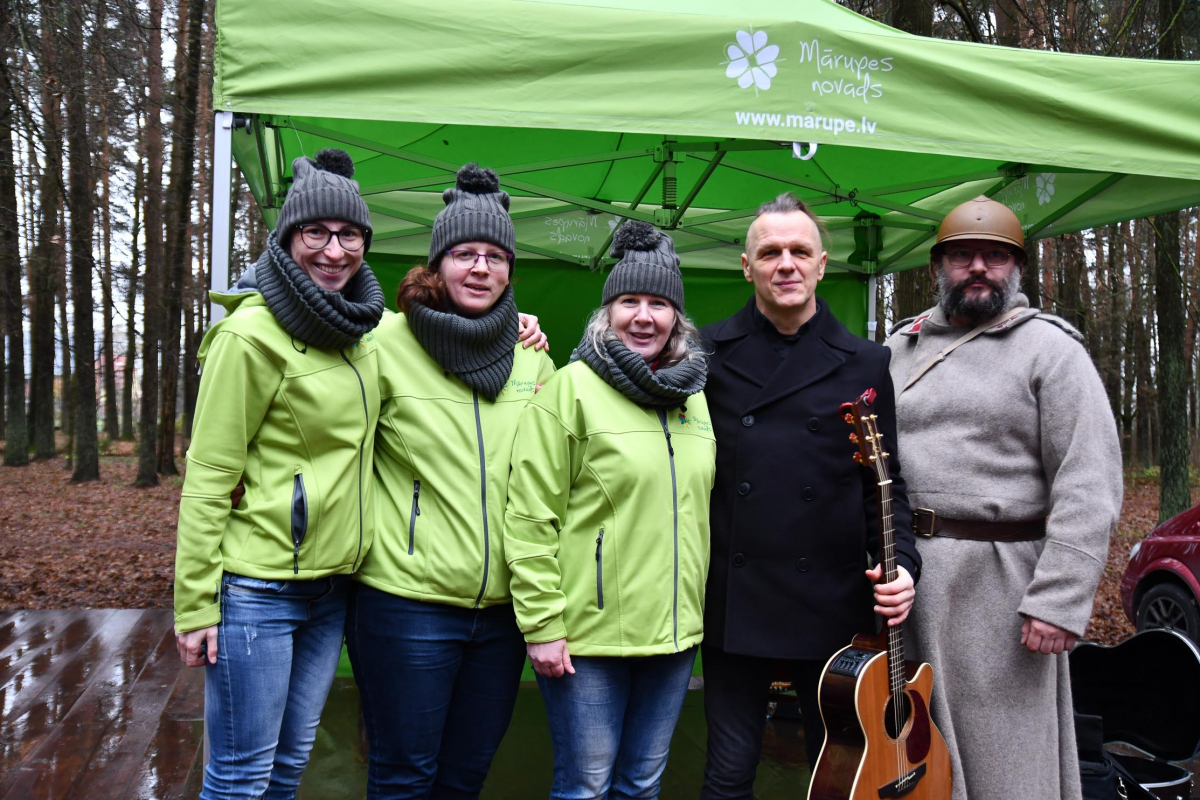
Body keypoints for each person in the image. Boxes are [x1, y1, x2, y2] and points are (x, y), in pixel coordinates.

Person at [884, 196, 1122, 800]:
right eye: (963, 256)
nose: (979, 268)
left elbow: (1089, 478)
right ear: (940, 267)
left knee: (1004, 764)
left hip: (1003, 589)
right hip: (905, 579)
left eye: (994, 257)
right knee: (909, 754)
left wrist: (1061, 598)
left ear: (1016, 269)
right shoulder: (899, 349)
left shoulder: (1052, 351)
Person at [173, 149, 386, 799]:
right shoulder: (250, 335)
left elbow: (446, 331)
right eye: (314, 232)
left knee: (288, 768)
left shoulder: (366, 331)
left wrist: (515, 328)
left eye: (349, 234)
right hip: (258, 590)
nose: (333, 250)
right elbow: (209, 476)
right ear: (287, 237)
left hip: (332, 592)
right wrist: (194, 605)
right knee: (240, 776)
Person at [698, 193, 919, 799]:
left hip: (831, 601)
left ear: (823, 264)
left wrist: (906, 569)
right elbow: (627, 365)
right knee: (728, 771)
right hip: (735, 600)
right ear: (748, 267)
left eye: (800, 251)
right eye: (770, 252)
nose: (786, 264)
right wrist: (528, 332)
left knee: (840, 769)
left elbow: (886, 481)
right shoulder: (707, 354)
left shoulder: (867, 362)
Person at [347, 164, 555, 800]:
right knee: (404, 777)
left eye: (496, 256)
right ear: (437, 264)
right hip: (406, 604)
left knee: (466, 778)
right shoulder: (381, 339)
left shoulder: (532, 355)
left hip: (500, 617)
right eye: (465, 253)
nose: (481, 268)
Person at [504, 221, 715, 800]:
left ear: (677, 317)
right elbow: (528, 517)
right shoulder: (570, 389)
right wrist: (543, 626)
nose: (643, 317)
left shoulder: (693, 397)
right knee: (586, 787)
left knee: (642, 784)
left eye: (658, 303)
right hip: (588, 640)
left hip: (673, 638)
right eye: (629, 302)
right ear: (607, 313)